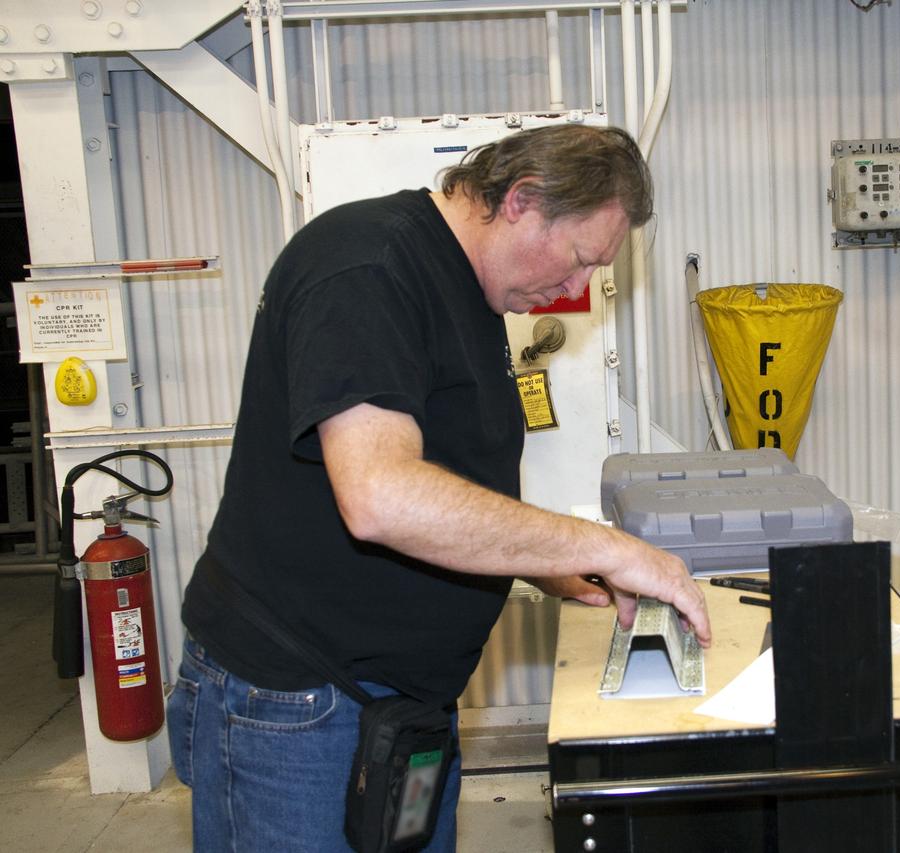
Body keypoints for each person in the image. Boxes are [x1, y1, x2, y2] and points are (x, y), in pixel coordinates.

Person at [168, 124, 711, 852]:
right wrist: (602, 546)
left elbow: (450, 486)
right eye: (582, 259)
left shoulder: (473, 293)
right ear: (521, 201)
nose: (577, 290)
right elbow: (381, 495)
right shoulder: (368, 267)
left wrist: (547, 564)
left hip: (404, 706)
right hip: (298, 706)